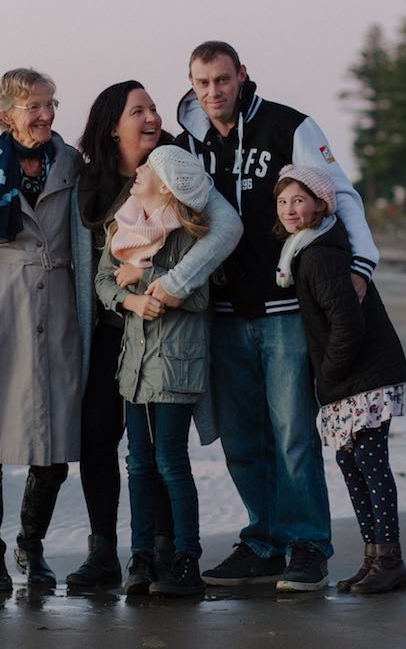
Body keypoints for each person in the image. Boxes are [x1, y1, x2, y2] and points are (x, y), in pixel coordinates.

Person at [172, 40, 379, 591]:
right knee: (241, 436)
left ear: (241, 76)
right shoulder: (186, 143)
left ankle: (308, 544)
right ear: (191, 84)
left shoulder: (290, 126)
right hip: (219, 310)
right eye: (202, 82)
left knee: (292, 434)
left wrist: (361, 263)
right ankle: (264, 542)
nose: (213, 92)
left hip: (285, 307)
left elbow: (342, 195)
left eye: (222, 79)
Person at [67, 81, 242, 588]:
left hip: (168, 342)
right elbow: (98, 270)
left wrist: (159, 286)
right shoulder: (90, 185)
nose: (151, 117)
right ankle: (108, 552)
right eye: (137, 110)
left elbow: (222, 232)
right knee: (103, 438)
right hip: (111, 333)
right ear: (111, 125)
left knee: (163, 453)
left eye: (153, 109)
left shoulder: (180, 173)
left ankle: (170, 551)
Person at [0, 68, 84, 591]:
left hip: (57, 303)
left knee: (52, 441)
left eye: (51, 104)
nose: (47, 115)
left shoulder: (72, 163)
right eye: (35, 106)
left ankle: (32, 546)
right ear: (7, 113)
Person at [274, 165, 406, 594]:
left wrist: (328, 376)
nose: (290, 209)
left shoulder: (320, 254)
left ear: (320, 205)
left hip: (363, 377)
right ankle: (373, 558)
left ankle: (390, 560)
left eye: (299, 200)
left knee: (371, 466)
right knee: (352, 465)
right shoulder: (304, 250)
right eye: (282, 201)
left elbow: (347, 323)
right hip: (350, 379)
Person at [94, 146, 223, 597]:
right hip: (134, 368)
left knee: (170, 462)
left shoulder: (191, 236)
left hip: (174, 369)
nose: (138, 172)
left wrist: (158, 285)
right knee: (138, 464)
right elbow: (104, 281)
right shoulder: (125, 228)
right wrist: (129, 297)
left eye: (147, 169)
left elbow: (203, 298)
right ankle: (141, 557)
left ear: (165, 186)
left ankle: (187, 557)